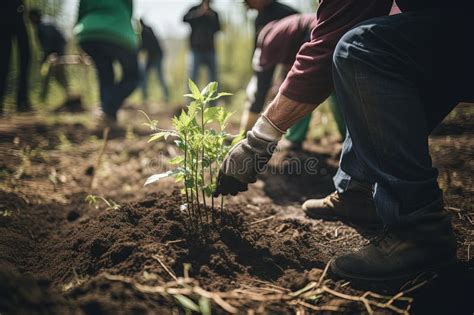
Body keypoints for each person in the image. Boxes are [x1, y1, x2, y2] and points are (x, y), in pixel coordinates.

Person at [214, 0, 471, 284]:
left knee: (360, 50)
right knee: (367, 59)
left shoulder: (271, 34)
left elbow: (320, 51)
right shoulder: (279, 29)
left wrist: (255, 141)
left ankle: (419, 233)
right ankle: (358, 193)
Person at [239, 13, 346, 150]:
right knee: (335, 86)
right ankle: (349, 138)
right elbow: (288, 70)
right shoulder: (284, 33)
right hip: (333, 28)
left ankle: (294, 139)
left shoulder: (268, 41)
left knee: (302, 89)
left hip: (316, 33)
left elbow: (262, 86)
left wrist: (246, 132)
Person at [74, 0, 139, 126]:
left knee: (105, 74)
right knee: (133, 77)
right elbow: (129, 11)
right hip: (118, 33)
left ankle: (108, 117)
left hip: (88, 32)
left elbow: (80, 12)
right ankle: (107, 109)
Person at [29, 8, 72, 103]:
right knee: (58, 75)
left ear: (34, 17)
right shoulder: (46, 20)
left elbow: (48, 44)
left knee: (50, 75)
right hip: (59, 50)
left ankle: (42, 99)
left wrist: (44, 57)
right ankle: (69, 94)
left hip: (57, 52)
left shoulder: (42, 26)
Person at [0, 0, 31, 114]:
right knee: (3, 62)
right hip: (6, 16)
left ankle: (22, 101)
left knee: (25, 56)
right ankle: (20, 101)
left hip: (16, 14)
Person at [183, 0, 220, 86]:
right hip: (195, 49)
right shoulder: (194, 9)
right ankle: (191, 99)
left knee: (214, 78)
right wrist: (199, 13)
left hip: (210, 49)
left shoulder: (214, 13)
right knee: (192, 76)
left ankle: (213, 99)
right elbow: (184, 19)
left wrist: (211, 17)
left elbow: (218, 28)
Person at [139, 18, 169, 104]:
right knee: (144, 76)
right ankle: (145, 97)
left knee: (159, 76)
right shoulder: (146, 31)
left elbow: (144, 46)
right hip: (151, 57)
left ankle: (166, 96)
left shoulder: (146, 31)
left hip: (156, 56)